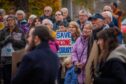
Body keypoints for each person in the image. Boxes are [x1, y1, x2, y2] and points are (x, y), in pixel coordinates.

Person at [0, 15, 26, 84]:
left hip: (16, 58)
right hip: (6, 59)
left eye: (11, 20)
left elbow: (23, 44)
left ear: (15, 21)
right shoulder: (3, 31)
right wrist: (6, 40)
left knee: (16, 78)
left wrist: (13, 40)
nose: (10, 21)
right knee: (7, 79)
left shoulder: (20, 31)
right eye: (8, 20)